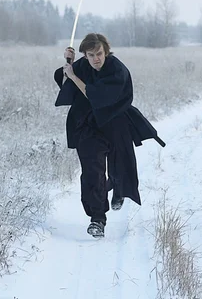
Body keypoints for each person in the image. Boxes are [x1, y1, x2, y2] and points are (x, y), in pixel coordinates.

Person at [53, 33, 165, 238]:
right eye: (91, 55)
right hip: (88, 126)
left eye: (99, 54)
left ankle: (117, 189)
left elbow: (93, 94)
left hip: (115, 123)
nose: (96, 59)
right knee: (92, 171)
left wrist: (73, 75)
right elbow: (66, 84)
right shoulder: (84, 66)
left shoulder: (117, 70)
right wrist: (68, 64)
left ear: (106, 51)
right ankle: (97, 219)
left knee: (119, 166)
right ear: (85, 55)